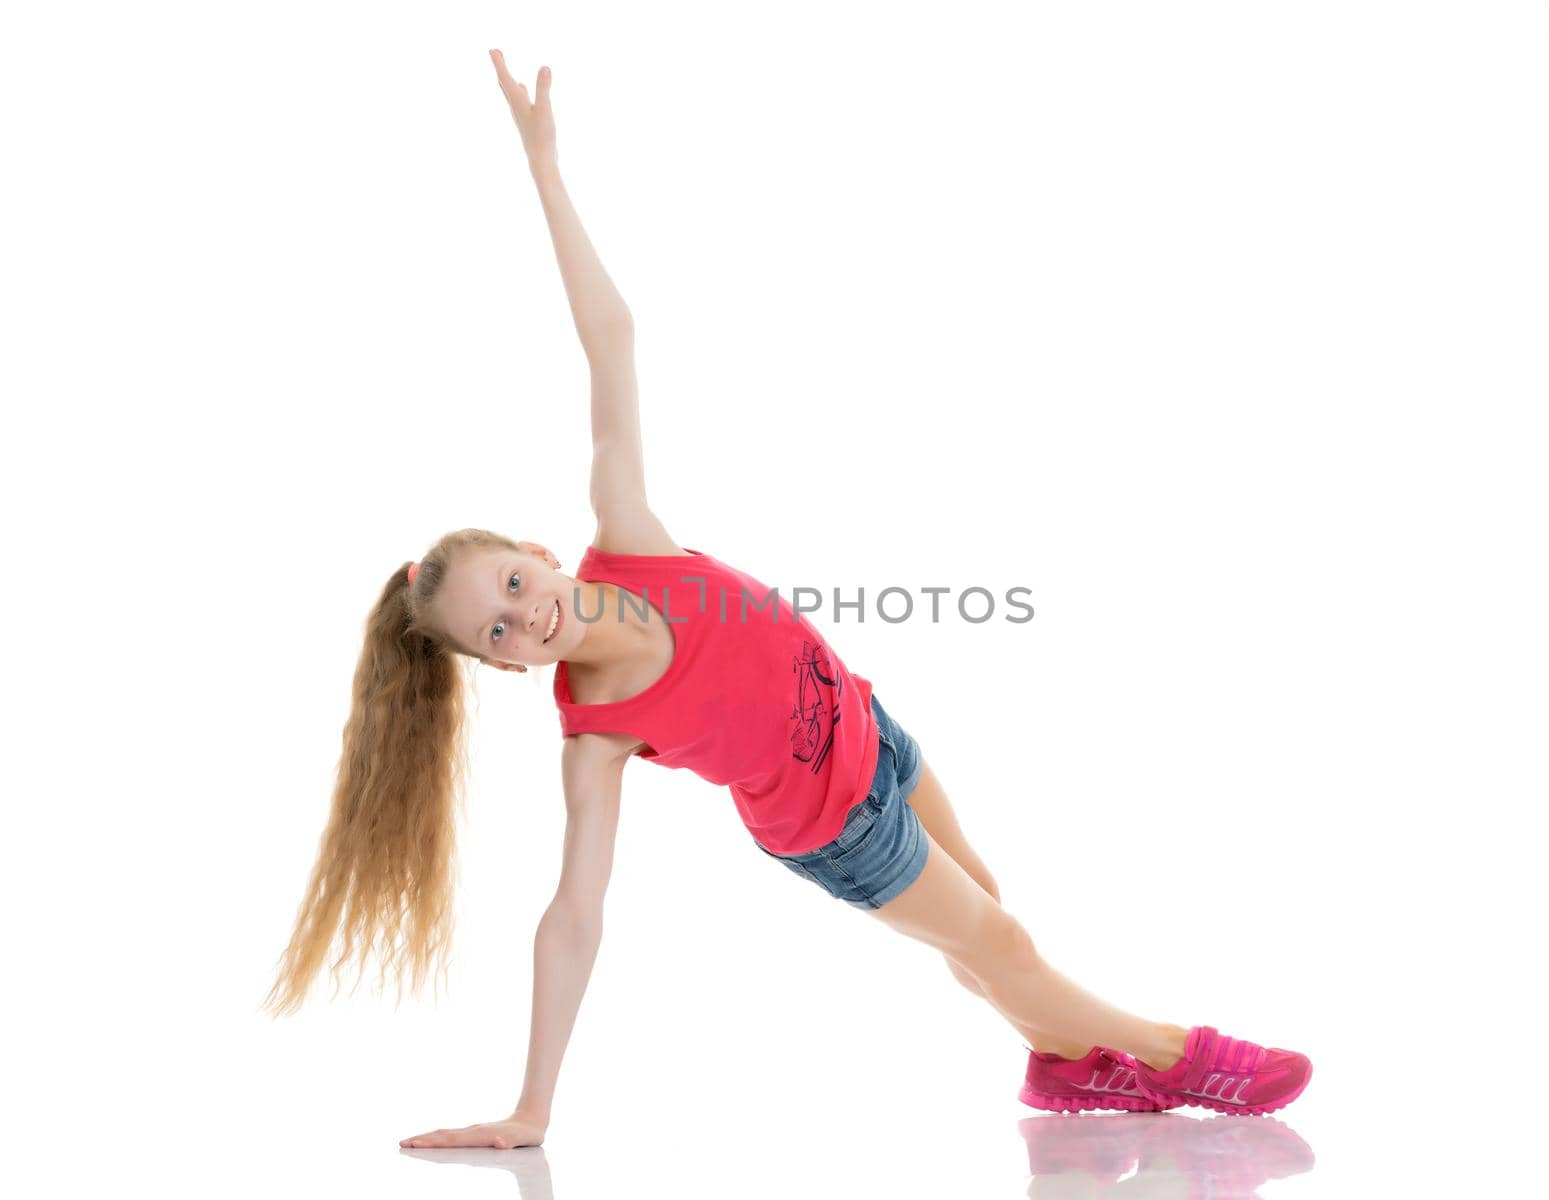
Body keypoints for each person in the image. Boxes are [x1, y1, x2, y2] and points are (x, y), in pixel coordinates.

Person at [261, 50, 1313, 1150]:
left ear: (538, 552)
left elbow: (610, 338)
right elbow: (572, 918)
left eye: (516, 587)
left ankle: (1062, 1071)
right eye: (498, 631)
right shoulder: (596, 730)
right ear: (505, 667)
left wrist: (545, 167)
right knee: (999, 944)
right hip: (835, 828)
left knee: (993, 921)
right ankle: (1172, 1056)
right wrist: (533, 1106)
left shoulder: (627, 535)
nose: (526, 618)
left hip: (870, 727)